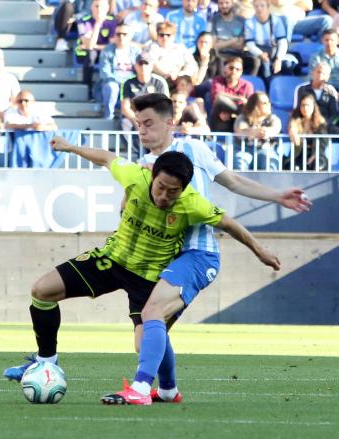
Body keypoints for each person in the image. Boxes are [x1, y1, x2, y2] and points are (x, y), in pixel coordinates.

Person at [2, 138, 281, 392]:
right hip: (112, 259)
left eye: (173, 192)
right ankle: (46, 361)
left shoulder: (193, 203)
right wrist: (70, 147)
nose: (164, 197)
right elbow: (105, 157)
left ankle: (168, 389)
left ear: (183, 189)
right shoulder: (135, 175)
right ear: (152, 176)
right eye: (160, 187)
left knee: (143, 344)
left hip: (148, 278)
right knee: (42, 290)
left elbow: (229, 224)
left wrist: (261, 251)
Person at [98, 93, 309, 405]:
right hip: (160, 257)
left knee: (152, 314)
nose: (142, 131)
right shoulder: (144, 166)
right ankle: (167, 390)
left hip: (197, 253)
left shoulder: (191, 148)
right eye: (138, 124)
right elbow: (127, 208)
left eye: (148, 123)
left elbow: (233, 181)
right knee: (147, 331)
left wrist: (277, 195)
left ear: (168, 122)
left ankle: (141, 388)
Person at [120, 53, 169, 158]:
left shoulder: (160, 82)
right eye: (140, 64)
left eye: (146, 64)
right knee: (124, 124)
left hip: (156, 117)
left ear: (151, 66)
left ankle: (156, 155)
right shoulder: (128, 83)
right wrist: (137, 119)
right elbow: (125, 108)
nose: (143, 67)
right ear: (135, 66)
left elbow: (166, 107)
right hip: (135, 118)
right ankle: (138, 155)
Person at [98, 23, 141, 120]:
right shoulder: (107, 50)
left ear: (130, 36)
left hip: (132, 82)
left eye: (124, 34)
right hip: (113, 81)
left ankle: (136, 118)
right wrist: (121, 82)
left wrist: (128, 82)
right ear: (114, 36)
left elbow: (140, 70)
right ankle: (109, 116)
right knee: (111, 87)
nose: (121, 37)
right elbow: (105, 72)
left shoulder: (136, 52)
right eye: (118, 34)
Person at [75, 0, 116, 99]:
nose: (99, 9)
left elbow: (111, 45)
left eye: (102, 6)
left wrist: (96, 46)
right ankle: (87, 90)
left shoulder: (112, 22)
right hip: (85, 55)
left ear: (107, 8)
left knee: (113, 55)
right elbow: (89, 46)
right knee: (91, 55)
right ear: (91, 7)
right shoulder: (82, 21)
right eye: (96, 6)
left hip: (104, 52)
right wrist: (97, 24)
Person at [233, 92, 282, 170]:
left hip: (266, 149)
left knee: (268, 162)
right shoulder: (242, 118)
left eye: (269, 102)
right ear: (255, 105)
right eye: (265, 103)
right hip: (244, 150)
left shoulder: (273, 119)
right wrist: (256, 131)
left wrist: (265, 131)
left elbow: (275, 129)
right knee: (239, 163)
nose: (269, 104)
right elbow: (240, 131)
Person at [244, 0, 292, 79]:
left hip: (273, 51)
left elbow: (282, 42)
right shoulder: (249, 22)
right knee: (254, 63)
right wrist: (260, 54)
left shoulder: (276, 20)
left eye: (262, 6)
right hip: (257, 51)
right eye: (256, 6)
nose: (259, 9)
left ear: (268, 7)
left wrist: (278, 59)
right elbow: (249, 44)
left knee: (287, 64)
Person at [209, 56, 254, 133]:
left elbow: (250, 108)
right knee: (220, 98)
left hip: (239, 119)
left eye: (237, 69)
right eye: (231, 68)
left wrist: (232, 114)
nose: (234, 71)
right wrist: (239, 99)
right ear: (224, 69)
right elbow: (218, 97)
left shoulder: (247, 85)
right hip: (219, 118)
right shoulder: (218, 80)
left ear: (241, 72)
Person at [308, 29, 339, 102]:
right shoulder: (316, 57)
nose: (329, 43)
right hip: (321, 90)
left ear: (338, 41)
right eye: (326, 40)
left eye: (332, 40)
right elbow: (312, 78)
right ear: (322, 40)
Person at [147, 21, 198, 85]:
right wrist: (167, 74)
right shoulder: (153, 47)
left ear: (173, 36)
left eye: (168, 35)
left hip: (179, 81)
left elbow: (192, 64)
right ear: (157, 35)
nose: (165, 38)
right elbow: (152, 62)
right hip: (158, 82)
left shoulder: (181, 48)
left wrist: (180, 74)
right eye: (161, 35)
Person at [287, 93, 329, 171]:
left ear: (313, 107)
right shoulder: (294, 121)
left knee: (318, 165)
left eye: (308, 105)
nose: (305, 108)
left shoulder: (320, 123)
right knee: (292, 166)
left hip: (316, 153)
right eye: (303, 105)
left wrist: (315, 154)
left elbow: (323, 141)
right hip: (299, 154)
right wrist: (292, 130)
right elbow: (292, 128)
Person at [293, 62, 339, 132]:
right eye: (318, 72)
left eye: (324, 74)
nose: (320, 75)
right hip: (305, 124)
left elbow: (335, 115)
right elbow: (296, 111)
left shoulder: (331, 91)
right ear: (313, 73)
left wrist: (324, 124)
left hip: (325, 126)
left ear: (328, 77)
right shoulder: (301, 89)